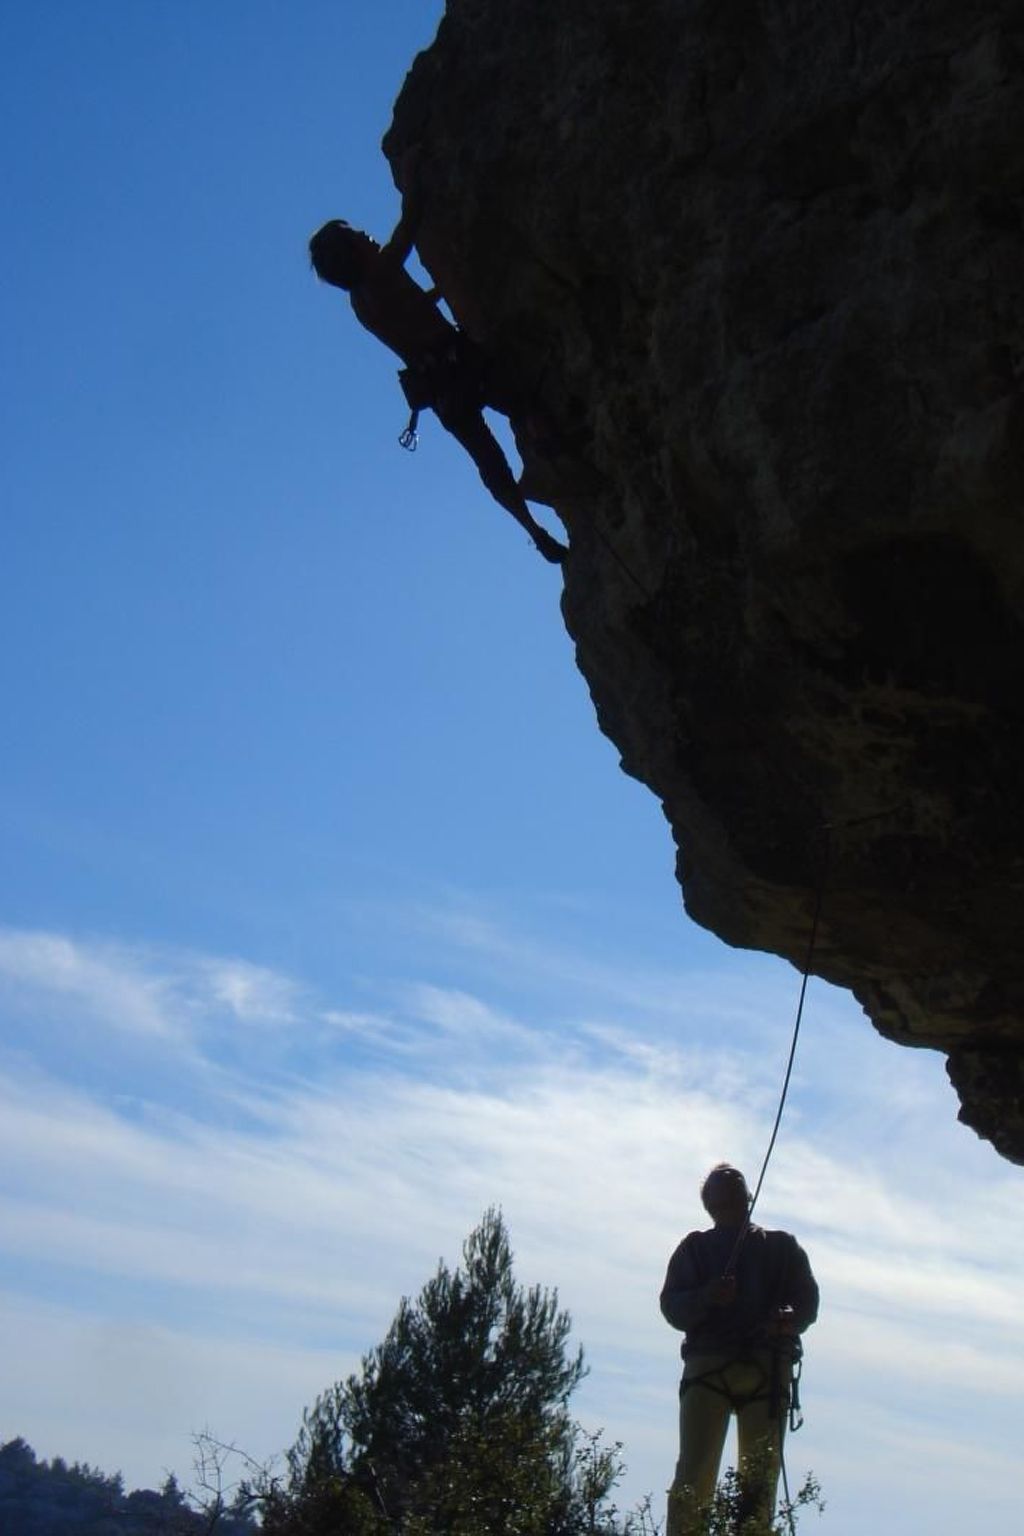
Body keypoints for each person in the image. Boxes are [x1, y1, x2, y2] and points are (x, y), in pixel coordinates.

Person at [308, 215, 567, 565]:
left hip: (441, 389)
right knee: (522, 400)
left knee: (489, 462)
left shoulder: (361, 304)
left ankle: (533, 530)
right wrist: (417, 181)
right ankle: (550, 447)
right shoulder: (382, 270)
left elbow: (407, 310)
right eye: (358, 235)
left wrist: (441, 291)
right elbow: (410, 226)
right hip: (461, 360)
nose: (368, 236)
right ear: (351, 249)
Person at [660, 1164, 819, 1535]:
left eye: (736, 1182)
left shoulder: (781, 1247)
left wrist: (788, 1318)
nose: (733, 1181)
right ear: (709, 1204)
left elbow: (807, 1303)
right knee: (694, 1476)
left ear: (748, 1196)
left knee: (759, 1481)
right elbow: (672, 1306)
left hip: (765, 1366)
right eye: (723, 1184)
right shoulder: (695, 1249)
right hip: (710, 1367)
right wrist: (707, 1296)